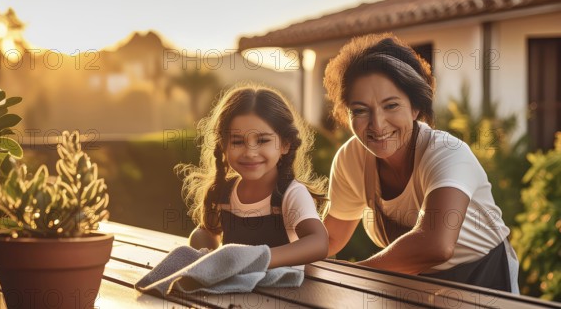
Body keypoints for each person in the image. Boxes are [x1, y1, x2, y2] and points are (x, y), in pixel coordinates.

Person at [322, 33, 519, 293]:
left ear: (415, 107)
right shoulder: (351, 159)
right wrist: (275, 258)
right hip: (412, 284)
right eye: (360, 110)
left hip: (482, 281)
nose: (377, 125)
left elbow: (435, 244)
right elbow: (331, 237)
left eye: (391, 105)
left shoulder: (448, 153)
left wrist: (352, 277)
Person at [176, 84, 329, 268]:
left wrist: (256, 259)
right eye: (238, 141)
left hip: (285, 292)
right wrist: (205, 255)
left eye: (263, 140)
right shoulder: (223, 192)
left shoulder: (291, 194)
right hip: (234, 290)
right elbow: (206, 234)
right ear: (223, 146)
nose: (250, 152)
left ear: (285, 144)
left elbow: (319, 243)